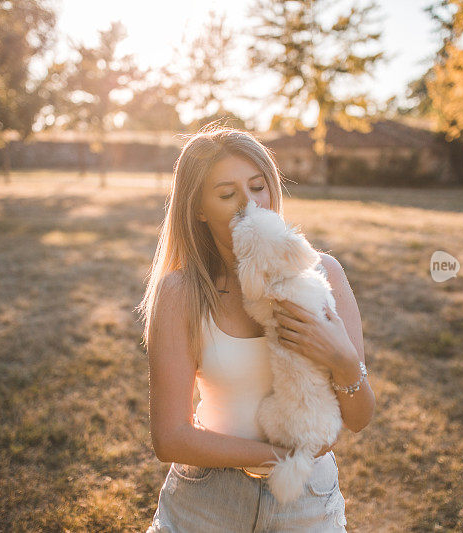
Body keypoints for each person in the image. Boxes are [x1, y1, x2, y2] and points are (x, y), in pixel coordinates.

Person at [136, 123, 375, 532]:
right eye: (227, 194)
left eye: (258, 187)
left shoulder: (323, 275)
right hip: (207, 501)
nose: (249, 203)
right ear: (198, 208)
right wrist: (283, 459)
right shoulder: (181, 292)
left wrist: (343, 360)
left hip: (306, 503)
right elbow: (170, 437)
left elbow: (359, 417)